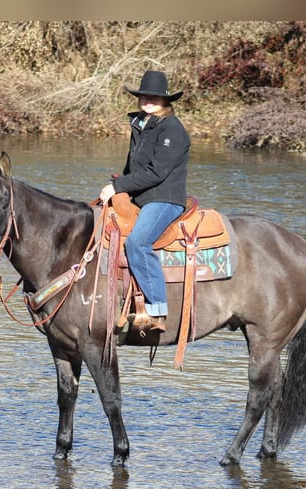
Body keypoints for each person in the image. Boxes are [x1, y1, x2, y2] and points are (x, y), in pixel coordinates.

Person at [100, 70, 190, 333]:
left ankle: (157, 310)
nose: (148, 100)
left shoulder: (172, 129)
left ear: (165, 100)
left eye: (155, 96)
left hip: (164, 198)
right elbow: (132, 168)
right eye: (144, 96)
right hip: (140, 197)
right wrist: (120, 190)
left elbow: (156, 172)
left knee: (138, 242)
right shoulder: (141, 124)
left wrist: (117, 186)